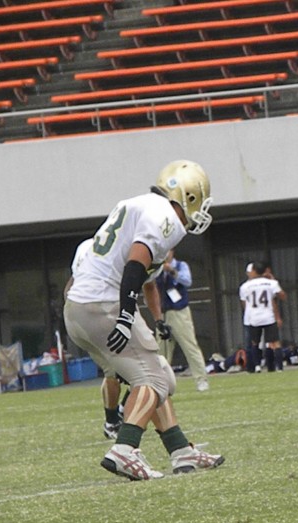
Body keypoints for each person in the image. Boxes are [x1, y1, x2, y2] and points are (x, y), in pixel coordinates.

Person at [64, 159, 224, 480]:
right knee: (154, 381)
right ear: (189, 197)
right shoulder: (166, 216)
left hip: (79, 309)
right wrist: (125, 314)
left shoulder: (138, 205)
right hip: (104, 304)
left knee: (159, 374)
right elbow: (136, 262)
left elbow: (141, 275)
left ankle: (180, 451)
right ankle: (124, 450)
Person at [66, 238, 126, 439]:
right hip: (91, 316)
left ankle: (120, 413)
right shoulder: (91, 249)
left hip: (104, 314)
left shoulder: (95, 248)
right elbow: (73, 285)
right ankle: (113, 421)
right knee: (115, 369)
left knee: (146, 367)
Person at [156, 249, 210, 391]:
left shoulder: (181, 265)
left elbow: (187, 281)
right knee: (161, 351)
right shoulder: (156, 268)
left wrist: (172, 271)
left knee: (190, 346)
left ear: (172, 252)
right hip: (162, 313)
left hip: (179, 311)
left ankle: (201, 379)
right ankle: (161, 383)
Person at [241, 261, 287, 372]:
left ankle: (257, 366)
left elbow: (244, 303)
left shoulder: (245, 286)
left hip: (254, 317)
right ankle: (280, 367)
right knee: (275, 342)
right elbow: (282, 296)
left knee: (255, 342)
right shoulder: (271, 283)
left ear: (254, 271)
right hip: (268, 316)